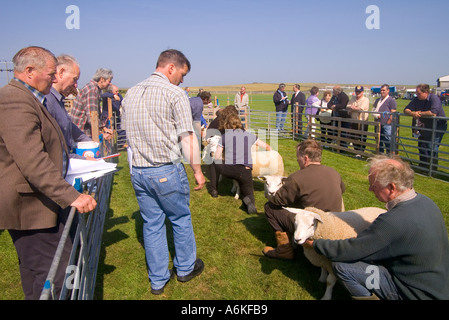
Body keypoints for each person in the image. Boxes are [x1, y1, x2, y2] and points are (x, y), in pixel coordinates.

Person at [0, 46, 97, 299]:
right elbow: (32, 159)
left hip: (39, 202)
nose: (55, 79)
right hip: (29, 207)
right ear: (29, 71)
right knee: (56, 275)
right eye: (51, 73)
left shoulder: (32, 99)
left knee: (37, 274)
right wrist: (71, 196)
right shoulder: (14, 99)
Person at [303, 155, 449, 300]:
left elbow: (353, 250)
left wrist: (316, 244)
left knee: (342, 267)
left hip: (411, 292)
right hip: (436, 285)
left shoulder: (392, 221)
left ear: (392, 187)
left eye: (374, 186)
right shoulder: (427, 202)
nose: (370, 189)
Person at [122, 49, 205, 295]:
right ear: (171, 68)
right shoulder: (174, 93)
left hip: (139, 170)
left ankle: (158, 279)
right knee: (180, 218)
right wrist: (198, 171)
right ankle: (185, 268)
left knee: (152, 223)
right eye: (182, 73)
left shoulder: (131, 93)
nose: (182, 79)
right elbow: (187, 136)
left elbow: (127, 136)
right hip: (165, 169)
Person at [263, 139, 345, 259]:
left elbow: (278, 200)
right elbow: (342, 189)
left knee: (269, 207)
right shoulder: (334, 173)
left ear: (305, 158)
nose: (297, 161)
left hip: (313, 224)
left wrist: (270, 194)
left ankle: (284, 249)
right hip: (332, 223)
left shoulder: (297, 177)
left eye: (298, 158)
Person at [209, 113, 271, 214]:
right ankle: (249, 201)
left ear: (227, 125)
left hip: (229, 170)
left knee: (213, 162)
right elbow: (268, 147)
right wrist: (269, 153)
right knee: (248, 190)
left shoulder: (224, 136)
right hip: (245, 170)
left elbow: (217, 156)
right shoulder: (249, 135)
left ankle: (214, 190)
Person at [45, 54, 93, 159]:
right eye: (74, 79)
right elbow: (54, 151)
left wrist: (91, 144)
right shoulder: (47, 101)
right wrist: (85, 159)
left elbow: (70, 127)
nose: (76, 85)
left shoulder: (58, 100)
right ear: (61, 72)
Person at [404, 84, 447, 170]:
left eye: (418, 93)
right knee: (422, 145)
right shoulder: (417, 99)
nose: (417, 95)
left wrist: (419, 113)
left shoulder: (434, 98)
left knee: (432, 146)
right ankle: (423, 165)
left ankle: (432, 169)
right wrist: (412, 113)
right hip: (424, 125)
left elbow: (433, 112)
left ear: (426, 92)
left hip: (438, 126)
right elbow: (406, 109)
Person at [70, 68, 114, 141]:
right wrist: (101, 134)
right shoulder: (92, 90)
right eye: (109, 81)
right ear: (102, 79)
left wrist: (103, 128)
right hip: (81, 133)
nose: (110, 84)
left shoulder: (93, 88)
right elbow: (92, 116)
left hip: (81, 131)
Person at [372, 84, 397, 153]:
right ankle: (380, 154)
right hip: (378, 123)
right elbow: (373, 110)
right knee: (379, 140)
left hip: (387, 125)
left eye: (384, 90)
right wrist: (375, 115)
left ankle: (389, 155)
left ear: (388, 91)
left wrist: (388, 122)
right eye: (381, 90)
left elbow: (393, 113)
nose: (382, 92)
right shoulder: (377, 100)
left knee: (388, 140)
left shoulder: (391, 100)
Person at [347, 85, 370, 154]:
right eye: (357, 91)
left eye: (359, 92)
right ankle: (356, 150)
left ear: (362, 92)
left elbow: (361, 108)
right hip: (354, 120)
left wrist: (353, 108)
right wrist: (352, 107)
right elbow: (347, 105)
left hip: (362, 121)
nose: (358, 93)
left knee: (362, 137)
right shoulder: (353, 98)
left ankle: (361, 152)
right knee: (353, 136)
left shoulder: (365, 99)